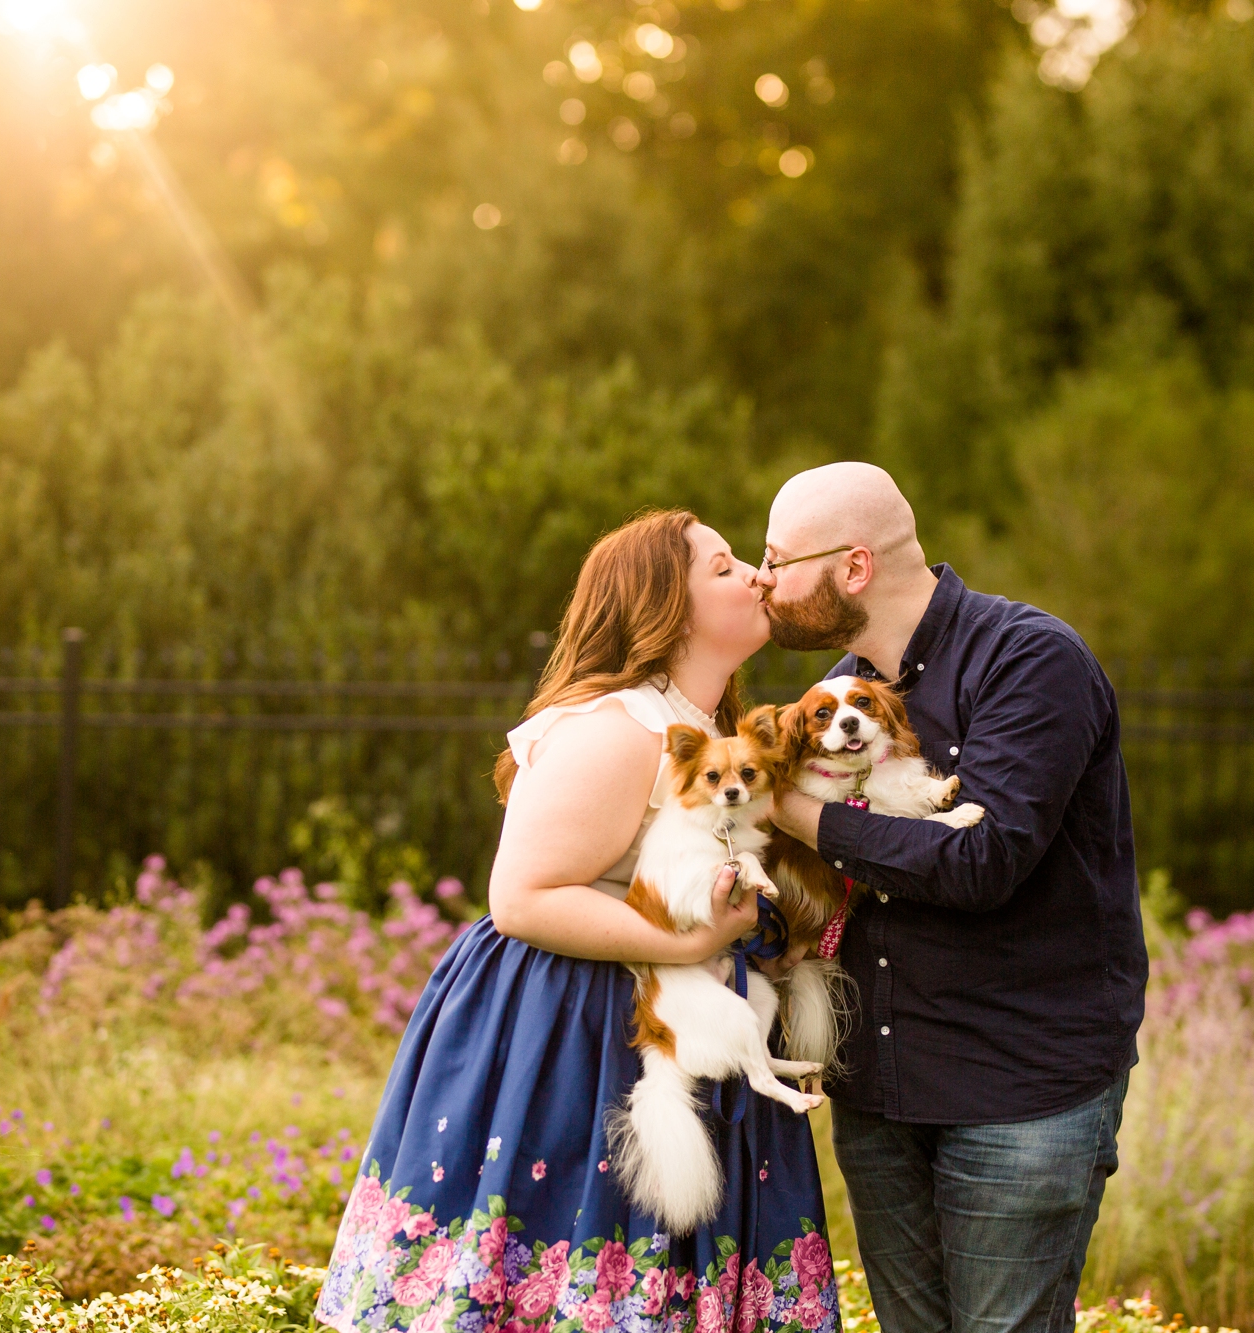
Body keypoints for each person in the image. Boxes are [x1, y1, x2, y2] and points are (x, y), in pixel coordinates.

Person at [316, 509, 844, 1333]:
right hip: (575, 1034)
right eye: (724, 567)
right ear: (666, 609)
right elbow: (521, 897)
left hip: (681, 1019)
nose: (756, 575)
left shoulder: (714, 734)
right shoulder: (613, 727)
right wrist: (695, 940)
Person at [759, 462, 1147, 1333]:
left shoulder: (1028, 657)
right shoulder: (838, 695)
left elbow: (983, 860)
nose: (763, 580)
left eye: (779, 561)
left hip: (1020, 1089)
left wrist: (796, 808)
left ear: (853, 567)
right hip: (881, 1093)